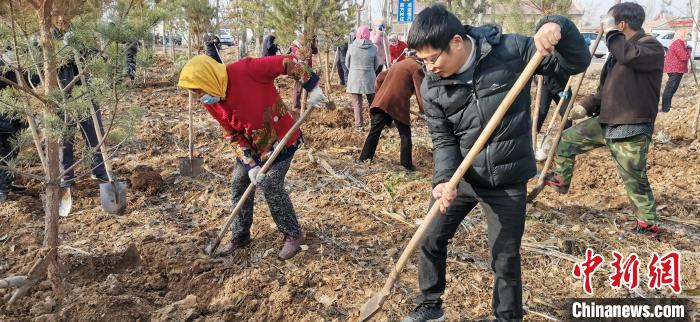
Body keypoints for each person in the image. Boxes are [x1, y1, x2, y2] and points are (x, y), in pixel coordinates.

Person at [402, 5, 590, 321]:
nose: (430, 67)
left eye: (434, 58)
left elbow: (577, 62)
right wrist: (443, 180)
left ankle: (507, 316)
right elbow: (444, 140)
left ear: (458, 43)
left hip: (506, 180)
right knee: (430, 237)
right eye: (423, 61)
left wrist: (558, 26)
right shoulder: (431, 86)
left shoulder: (511, 51)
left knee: (504, 258)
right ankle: (430, 306)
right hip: (463, 177)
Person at [177, 53, 327, 260]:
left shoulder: (245, 70)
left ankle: (293, 234)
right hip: (252, 147)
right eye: (195, 92)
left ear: (208, 77)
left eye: (198, 90)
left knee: (271, 184)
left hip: (281, 141)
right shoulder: (211, 101)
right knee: (239, 183)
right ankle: (240, 236)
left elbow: (286, 63)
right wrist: (250, 165)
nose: (198, 96)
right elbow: (231, 133)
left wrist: (313, 87)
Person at [545, 2, 664, 240]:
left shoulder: (650, 46)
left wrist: (611, 33)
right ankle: (561, 179)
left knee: (634, 177)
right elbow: (604, 90)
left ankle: (648, 223)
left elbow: (628, 55)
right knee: (567, 139)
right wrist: (584, 106)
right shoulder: (617, 54)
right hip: (606, 120)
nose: (604, 25)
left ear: (621, 25)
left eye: (609, 22)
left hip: (631, 124)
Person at [50, 11, 109, 189]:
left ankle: (99, 170)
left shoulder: (79, 35)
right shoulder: (44, 40)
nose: (62, 19)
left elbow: (98, 57)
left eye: (66, 14)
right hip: (60, 95)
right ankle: (66, 175)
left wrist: (79, 46)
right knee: (64, 137)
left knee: (94, 131)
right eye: (57, 15)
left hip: (85, 92)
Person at [359, 50, 424, 171]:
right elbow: (420, 91)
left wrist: (380, 95)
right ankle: (406, 165)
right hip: (397, 103)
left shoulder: (398, 64)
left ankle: (364, 158)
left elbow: (379, 78)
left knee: (375, 131)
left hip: (383, 101)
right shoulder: (417, 67)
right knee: (405, 134)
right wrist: (423, 110)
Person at [346, 26, 381, 131]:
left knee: (357, 103)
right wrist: (370, 71)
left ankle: (359, 126)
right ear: (368, 34)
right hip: (369, 78)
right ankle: (373, 123)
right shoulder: (374, 48)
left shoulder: (351, 47)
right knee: (372, 101)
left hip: (355, 78)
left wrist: (354, 70)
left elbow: (347, 63)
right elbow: (377, 64)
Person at [661, 29, 691, 112]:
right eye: (687, 34)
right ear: (682, 34)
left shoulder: (680, 43)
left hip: (675, 69)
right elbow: (684, 57)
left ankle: (667, 107)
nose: (688, 36)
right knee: (670, 88)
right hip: (675, 69)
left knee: (672, 89)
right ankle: (665, 108)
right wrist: (689, 50)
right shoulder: (678, 43)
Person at [290, 35, 318, 110]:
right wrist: (307, 52)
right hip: (299, 67)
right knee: (298, 87)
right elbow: (300, 56)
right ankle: (296, 106)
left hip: (308, 67)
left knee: (310, 83)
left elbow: (315, 51)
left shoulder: (308, 44)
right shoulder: (295, 45)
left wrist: (314, 43)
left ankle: (303, 103)